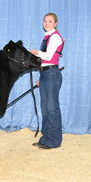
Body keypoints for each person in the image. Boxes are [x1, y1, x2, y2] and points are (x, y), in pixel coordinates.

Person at [30, 12, 64, 150]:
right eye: (45, 21)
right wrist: (40, 77)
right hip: (45, 74)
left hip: (51, 74)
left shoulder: (55, 37)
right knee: (45, 108)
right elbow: (44, 62)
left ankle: (54, 141)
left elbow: (49, 56)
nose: (47, 23)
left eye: (50, 21)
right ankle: (46, 138)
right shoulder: (47, 37)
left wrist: (36, 52)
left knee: (52, 108)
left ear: (55, 23)